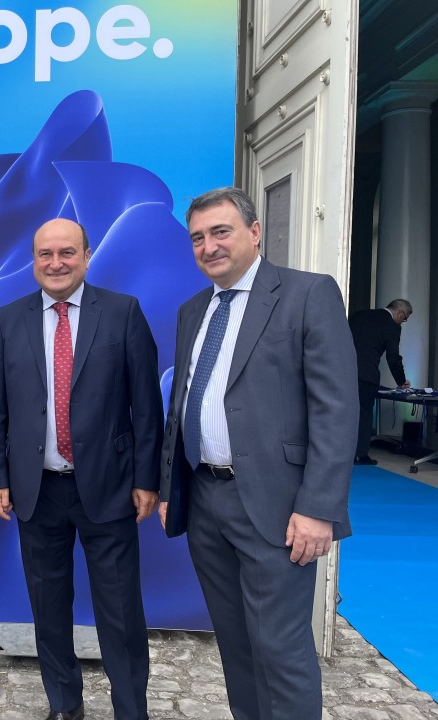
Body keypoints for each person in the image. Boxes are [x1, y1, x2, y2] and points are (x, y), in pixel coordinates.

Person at [159, 188, 358, 720]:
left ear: (254, 231)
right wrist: (170, 486)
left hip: (278, 506)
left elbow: (336, 409)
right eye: (197, 238)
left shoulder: (307, 294)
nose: (208, 246)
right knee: (236, 644)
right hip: (205, 501)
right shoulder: (193, 310)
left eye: (220, 232)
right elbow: (181, 405)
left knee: (282, 650)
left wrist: (318, 507)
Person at [0, 218, 163, 720]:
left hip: (110, 487)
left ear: (86, 256)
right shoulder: (8, 319)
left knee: (120, 612)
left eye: (67, 252)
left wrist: (147, 478)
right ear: (33, 261)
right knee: (48, 608)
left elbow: (147, 406)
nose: (56, 263)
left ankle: (131, 709)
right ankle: (65, 705)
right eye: (45, 254)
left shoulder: (123, 313)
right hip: (35, 490)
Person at [349, 299, 412, 465]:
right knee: (364, 414)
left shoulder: (359, 315)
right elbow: (393, 358)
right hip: (366, 375)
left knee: (343, 412)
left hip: (342, 371)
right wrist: (401, 381)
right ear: (400, 313)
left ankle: (338, 451)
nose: (402, 322)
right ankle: (360, 455)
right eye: (405, 318)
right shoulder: (392, 327)